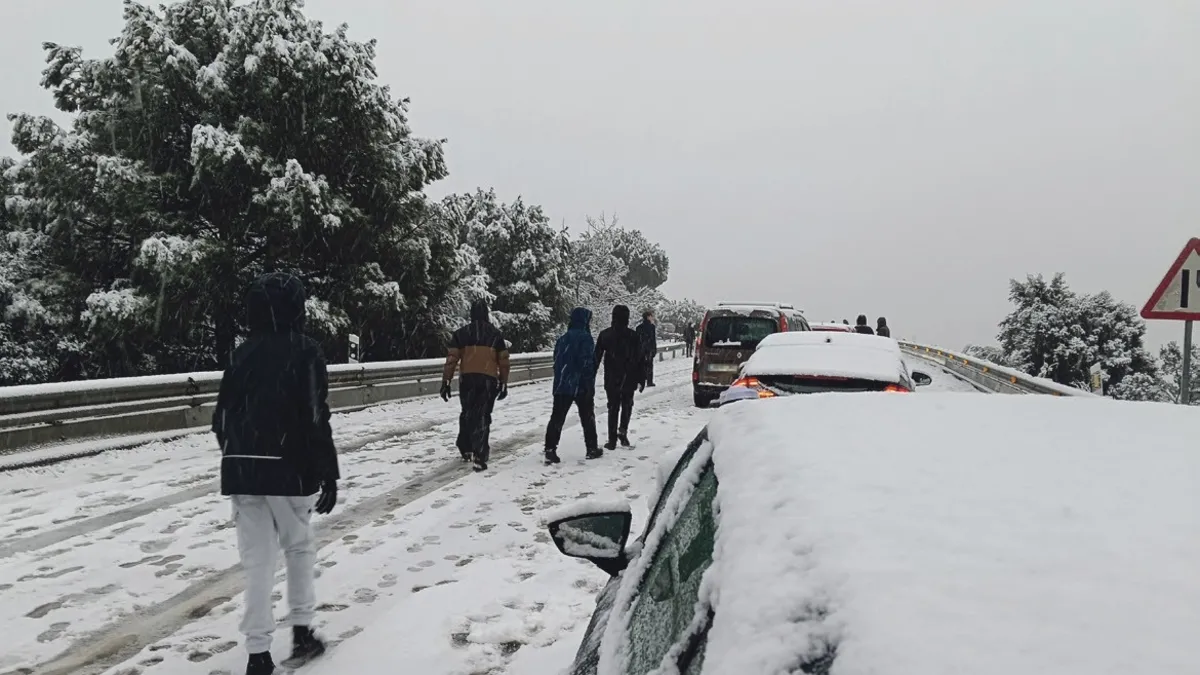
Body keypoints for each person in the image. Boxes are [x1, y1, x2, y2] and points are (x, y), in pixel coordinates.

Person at [212, 273, 339, 675]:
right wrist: (327, 472)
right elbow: (316, 416)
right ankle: (301, 632)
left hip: (243, 472)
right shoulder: (305, 351)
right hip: (290, 471)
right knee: (298, 549)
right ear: (297, 308)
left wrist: (240, 457)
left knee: (258, 564)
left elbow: (220, 420)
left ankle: (257, 654)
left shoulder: (240, 354)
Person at [441, 300, 510, 472]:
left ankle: (465, 447)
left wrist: (446, 382)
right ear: (486, 314)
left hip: (468, 380)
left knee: (468, 413)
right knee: (483, 415)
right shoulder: (495, 335)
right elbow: (504, 362)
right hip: (488, 380)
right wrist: (504, 382)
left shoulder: (461, 334)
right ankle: (480, 454)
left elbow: (451, 361)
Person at [544, 307, 601, 464]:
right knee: (587, 417)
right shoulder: (586, 338)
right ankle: (591, 448)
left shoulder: (562, 339)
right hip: (580, 385)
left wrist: (563, 377)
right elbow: (587, 363)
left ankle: (550, 448)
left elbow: (556, 361)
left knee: (557, 417)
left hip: (563, 384)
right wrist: (588, 382)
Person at [594, 305, 644, 450]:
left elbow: (596, 357)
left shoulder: (605, 335)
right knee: (627, 405)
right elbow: (641, 359)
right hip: (630, 376)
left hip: (612, 376)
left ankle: (611, 439)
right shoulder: (634, 336)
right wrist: (642, 378)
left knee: (613, 407)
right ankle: (623, 430)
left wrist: (590, 375)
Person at [636, 310, 658, 386]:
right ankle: (649, 381)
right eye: (651, 316)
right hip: (649, 349)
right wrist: (654, 349)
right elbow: (653, 339)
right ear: (648, 317)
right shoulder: (652, 327)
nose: (652, 317)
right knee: (649, 365)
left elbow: (637, 340)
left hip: (641, 349)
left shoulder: (639, 327)